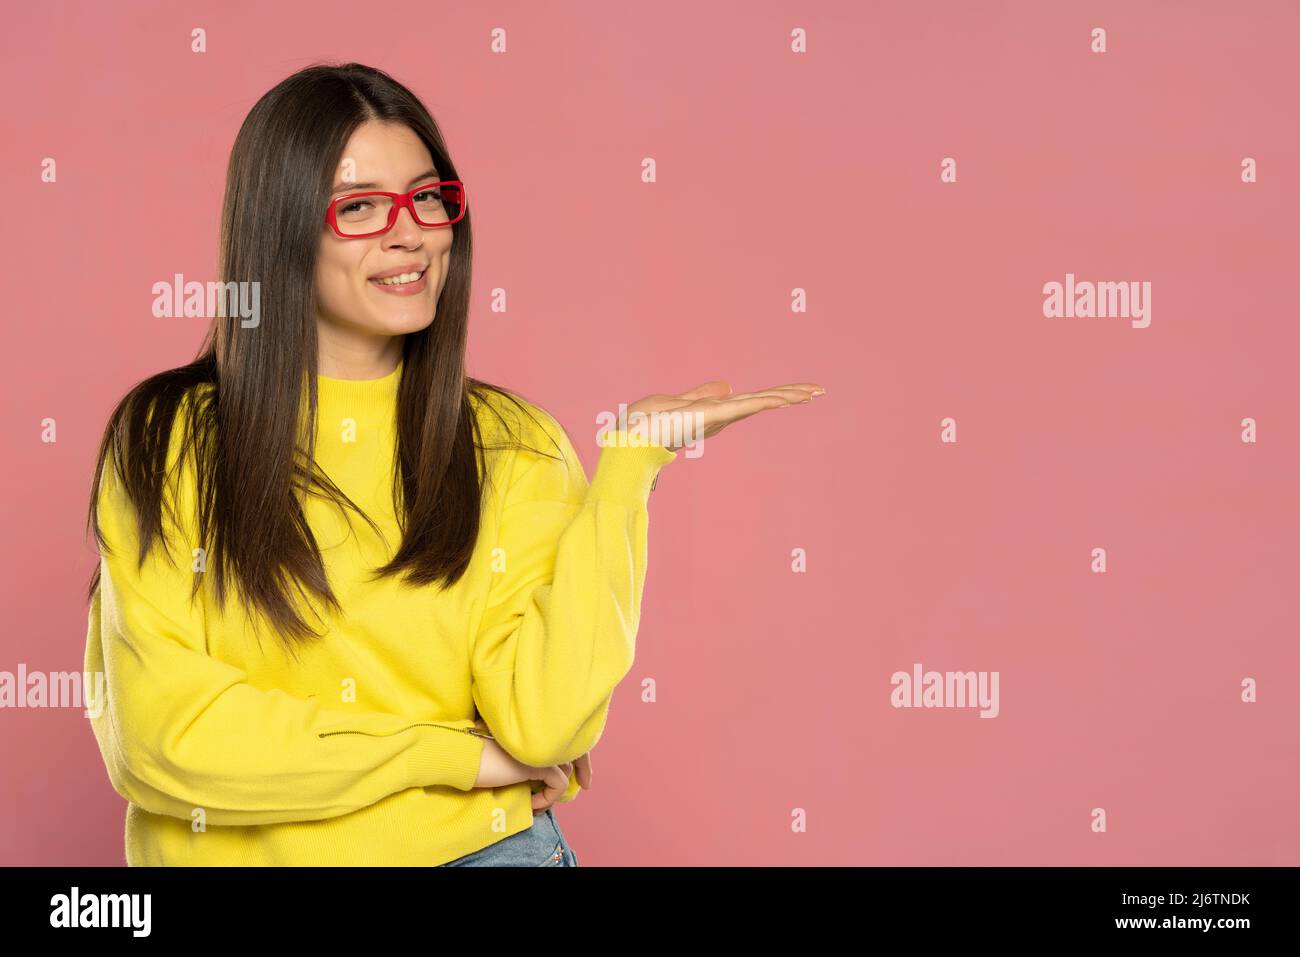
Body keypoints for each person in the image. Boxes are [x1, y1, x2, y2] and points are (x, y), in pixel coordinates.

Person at [83, 62, 824, 867]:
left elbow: (545, 724)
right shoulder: (167, 440)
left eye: (427, 197)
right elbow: (162, 740)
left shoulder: (514, 442)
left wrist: (631, 466)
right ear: (281, 230)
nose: (411, 233)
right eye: (360, 207)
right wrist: (456, 757)